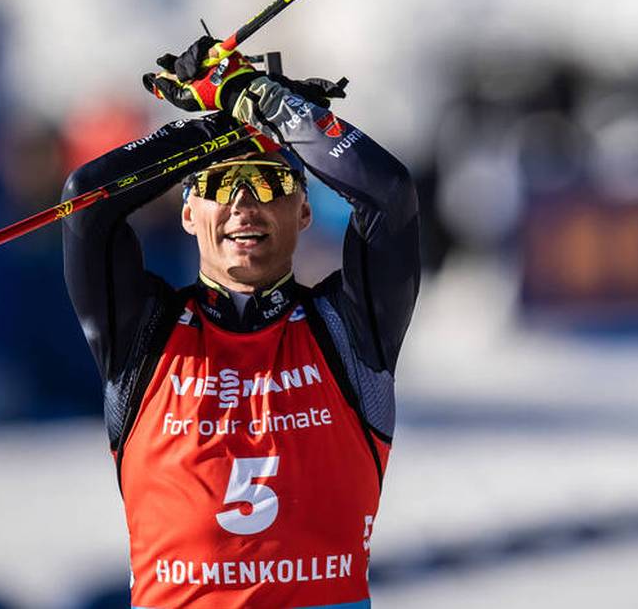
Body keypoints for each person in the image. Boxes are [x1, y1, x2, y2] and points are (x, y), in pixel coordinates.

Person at [61, 37, 420, 607]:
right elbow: (87, 202)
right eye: (220, 185)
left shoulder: (347, 329)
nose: (244, 205)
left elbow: (389, 196)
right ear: (187, 211)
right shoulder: (144, 334)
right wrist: (216, 125)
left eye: (271, 182)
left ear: (304, 210)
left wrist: (250, 94)